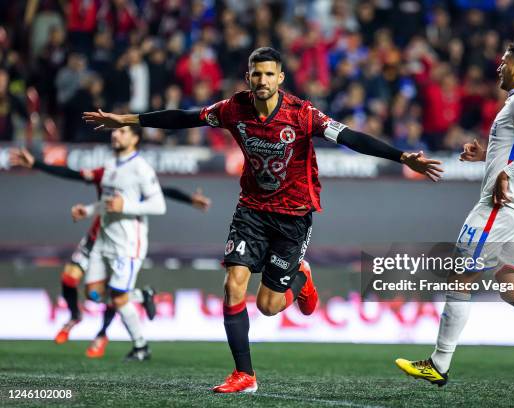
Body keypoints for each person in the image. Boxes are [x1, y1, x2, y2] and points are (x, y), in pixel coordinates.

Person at [83, 47, 443, 391]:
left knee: (270, 306)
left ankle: (301, 278)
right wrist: (127, 119)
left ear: (280, 77)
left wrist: (401, 157)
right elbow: (185, 117)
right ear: (248, 77)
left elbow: (350, 137)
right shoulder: (232, 109)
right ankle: (244, 374)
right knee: (233, 284)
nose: (262, 80)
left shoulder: (303, 114)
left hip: (293, 215)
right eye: (256, 74)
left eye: (269, 74)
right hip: (251, 210)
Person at [395, 43, 514, 388]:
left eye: (503, 63)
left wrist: (505, 173)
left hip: (500, 206)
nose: (498, 68)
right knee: (512, 288)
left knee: (461, 276)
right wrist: (488, 157)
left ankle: (439, 363)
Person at [9, 147, 211, 358]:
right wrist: (36, 164)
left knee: (112, 292)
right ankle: (82, 314)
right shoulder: (104, 173)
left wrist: (189, 200)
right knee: (77, 283)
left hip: (120, 243)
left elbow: (162, 192)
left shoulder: (136, 176)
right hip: (96, 238)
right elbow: (72, 174)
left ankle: (105, 333)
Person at [71, 125, 166, 361]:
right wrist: (89, 209)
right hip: (103, 240)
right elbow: (108, 202)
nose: (115, 134)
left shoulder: (141, 168)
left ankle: (141, 347)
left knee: (119, 298)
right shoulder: (110, 164)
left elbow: (159, 205)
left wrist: (127, 206)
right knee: (93, 294)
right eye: (114, 131)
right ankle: (142, 295)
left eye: (122, 131)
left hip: (127, 244)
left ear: (135, 138)